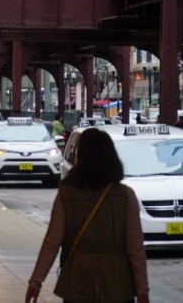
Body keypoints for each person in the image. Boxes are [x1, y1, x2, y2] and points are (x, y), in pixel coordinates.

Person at [25, 129, 149, 303]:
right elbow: (135, 248)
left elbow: (51, 243)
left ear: (80, 156)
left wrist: (36, 281)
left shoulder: (66, 195)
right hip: (117, 286)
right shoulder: (126, 196)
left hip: (77, 284)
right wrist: (142, 290)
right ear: (111, 157)